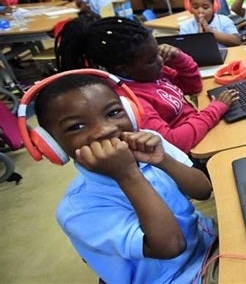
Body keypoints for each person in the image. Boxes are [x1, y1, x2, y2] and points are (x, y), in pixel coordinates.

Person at [30, 73, 217, 283]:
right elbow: (171, 246)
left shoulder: (149, 143)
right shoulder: (77, 210)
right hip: (177, 277)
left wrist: (162, 159)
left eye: (114, 113)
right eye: (76, 127)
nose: (105, 130)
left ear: (131, 112)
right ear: (52, 145)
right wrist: (127, 175)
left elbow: (203, 190)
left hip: (207, 243)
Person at [55, 17, 239, 154]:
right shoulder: (131, 102)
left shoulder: (150, 73)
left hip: (199, 130)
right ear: (124, 70)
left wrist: (179, 58)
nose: (160, 61)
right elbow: (173, 143)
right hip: (190, 153)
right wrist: (215, 110)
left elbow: (193, 86)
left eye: (158, 53)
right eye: (152, 59)